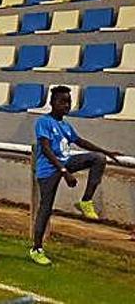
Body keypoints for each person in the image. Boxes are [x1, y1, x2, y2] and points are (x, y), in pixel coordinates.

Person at [28, 85, 122, 266]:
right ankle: (37, 248)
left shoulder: (65, 125)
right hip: (49, 169)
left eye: (68, 102)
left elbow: (80, 142)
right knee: (45, 208)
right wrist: (64, 172)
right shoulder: (43, 122)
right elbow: (46, 150)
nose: (66, 105)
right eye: (61, 101)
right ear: (52, 103)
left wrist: (107, 152)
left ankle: (86, 201)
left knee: (98, 159)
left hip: (65, 162)